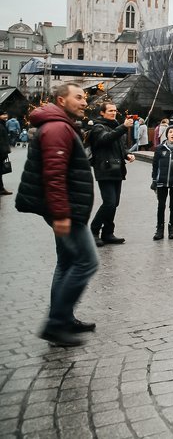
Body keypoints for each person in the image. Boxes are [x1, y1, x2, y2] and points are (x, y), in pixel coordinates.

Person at [15, 83, 98, 347]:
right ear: (61, 100)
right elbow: (53, 175)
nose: (84, 102)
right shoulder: (57, 128)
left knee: (66, 263)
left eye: (85, 98)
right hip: (67, 210)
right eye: (78, 97)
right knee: (87, 262)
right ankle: (56, 324)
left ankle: (62, 317)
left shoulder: (59, 124)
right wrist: (61, 214)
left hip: (65, 209)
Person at [88, 102, 135, 246]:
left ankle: (108, 232)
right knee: (109, 203)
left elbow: (120, 146)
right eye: (110, 111)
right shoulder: (98, 127)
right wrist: (123, 127)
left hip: (117, 169)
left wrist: (127, 155)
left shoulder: (115, 126)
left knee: (115, 203)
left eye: (115, 110)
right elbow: (105, 139)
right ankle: (93, 231)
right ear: (102, 113)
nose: (113, 113)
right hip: (105, 168)